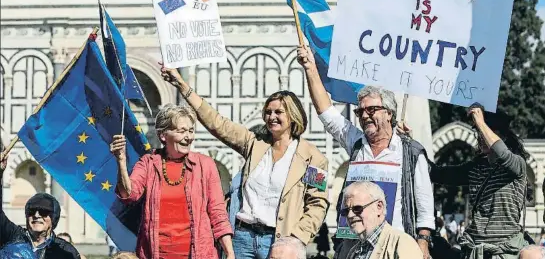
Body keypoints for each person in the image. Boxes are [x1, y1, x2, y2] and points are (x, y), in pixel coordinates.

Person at [160, 65, 329, 259]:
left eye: (278, 112)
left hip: (279, 241)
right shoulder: (255, 143)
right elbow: (218, 124)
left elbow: (318, 203)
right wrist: (182, 86)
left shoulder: (314, 158)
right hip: (241, 237)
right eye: (268, 112)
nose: (271, 117)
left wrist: (297, 238)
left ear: (293, 116)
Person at [297, 46, 434, 259]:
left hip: (393, 243)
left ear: (389, 113)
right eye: (360, 111)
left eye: (372, 110)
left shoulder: (411, 152)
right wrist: (310, 68)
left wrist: (422, 243)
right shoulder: (357, 144)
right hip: (353, 243)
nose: (365, 116)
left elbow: (424, 206)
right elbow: (327, 113)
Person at [110, 103, 234, 259]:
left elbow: (218, 212)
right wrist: (120, 161)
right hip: (155, 254)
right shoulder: (148, 163)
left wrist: (229, 253)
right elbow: (128, 194)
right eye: (182, 131)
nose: (188, 137)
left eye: (191, 131)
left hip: (199, 255)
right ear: (163, 135)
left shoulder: (206, 165)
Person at [429, 105, 530, 258]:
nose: (480, 136)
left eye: (484, 131)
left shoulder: (517, 164)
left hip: (503, 251)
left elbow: (502, 153)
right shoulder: (475, 168)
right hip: (474, 249)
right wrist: (408, 143)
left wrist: (481, 123)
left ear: (501, 135)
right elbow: (437, 174)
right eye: (478, 132)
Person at [0, 154, 80, 259]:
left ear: (53, 218)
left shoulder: (65, 251)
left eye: (43, 211)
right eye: (32, 211)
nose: (36, 215)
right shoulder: (12, 236)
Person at [338, 181, 423, 259]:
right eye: (346, 211)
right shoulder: (354, 251)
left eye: (357, 208)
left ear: (379, 207)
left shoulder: (403, 244)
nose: (350, 215)